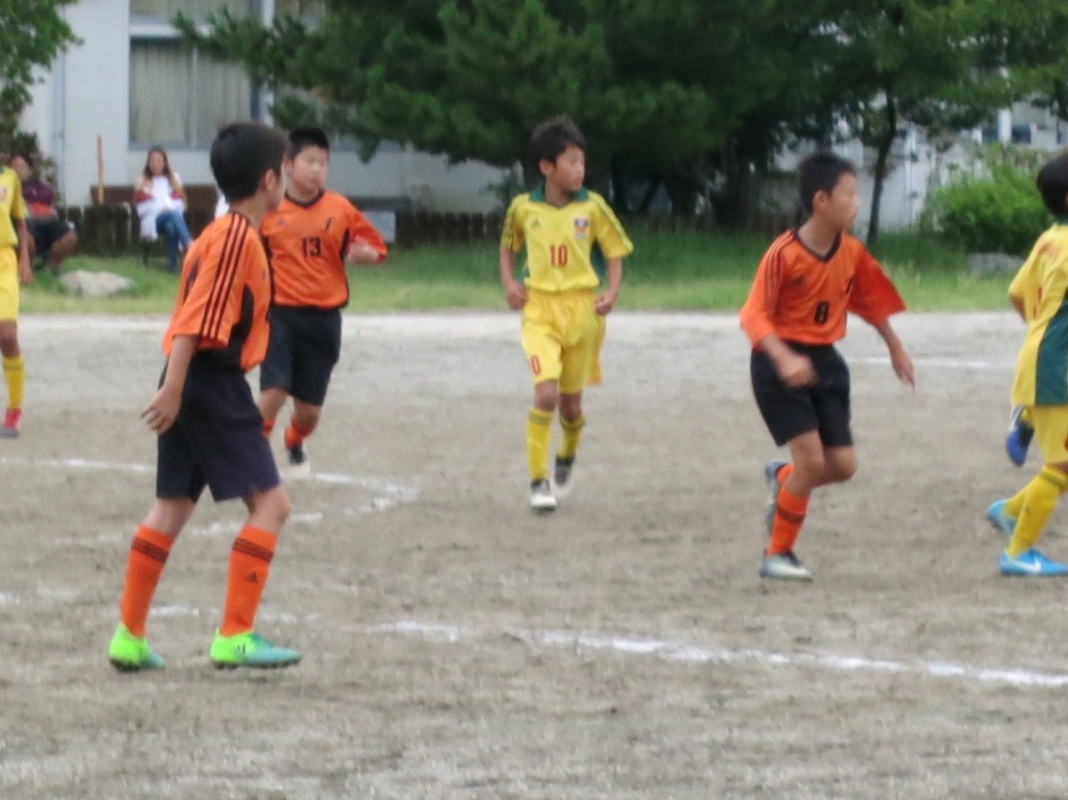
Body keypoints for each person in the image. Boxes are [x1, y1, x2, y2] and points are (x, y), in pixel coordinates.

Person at [107, 121, 302, 672]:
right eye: (284, 171)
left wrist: (175, 385)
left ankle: (129, 636)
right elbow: (194, 320)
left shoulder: (219, 233)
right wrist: (174, 388)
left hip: (191, 380)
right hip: (208, 382)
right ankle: (235, 635)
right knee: (272, 506)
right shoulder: (236, 237)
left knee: (171, 507)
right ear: (268, 180)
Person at [739, 151, 914, 581]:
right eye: (849, 194)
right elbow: (753, 315)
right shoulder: (784, 254)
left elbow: (869, 301)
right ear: (821, 201)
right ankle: (777, 554)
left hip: (825, 363)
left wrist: (895, 346)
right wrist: (784, 357)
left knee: (843, 466)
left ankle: (784, 478)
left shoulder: (851, 252)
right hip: (778, 365)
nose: (857, 203)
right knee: (813, 463)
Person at [500, 115, 633, 512]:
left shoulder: (593, 207)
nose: (579, 169)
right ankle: (538, 481)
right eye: (571, 161)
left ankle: (567, 454)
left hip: (582, 312)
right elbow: (508, 246)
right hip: (540, 309)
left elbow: (614, 251)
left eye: (582, 161)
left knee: (571, 407)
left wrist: (612, 291)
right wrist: (510, 282)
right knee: (546, 395)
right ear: (546, 166)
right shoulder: (523, 208)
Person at [257, 127, 387, 475]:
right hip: (280, 316)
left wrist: (369, 255)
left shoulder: (339, 208)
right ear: (287, 164)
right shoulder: (269, 209)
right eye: (309, 161)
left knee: (309, 413)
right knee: (273, 392)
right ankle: (251, 457)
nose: (316, 169)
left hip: (324, 320)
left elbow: (377, 248)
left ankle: (294, 439)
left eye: (323, 163)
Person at [986, 153, 1068, 576]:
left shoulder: (1050, 238)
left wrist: (1041, 330)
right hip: (1055, 367)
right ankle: (1017, 553)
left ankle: (1011, 510)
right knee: (1063, 467)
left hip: (1044, 357)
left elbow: (1017, 293)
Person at [0, 159, 32, 437]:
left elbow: (20, 222)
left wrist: (24, 259)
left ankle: (14, 409)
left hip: (4, 261)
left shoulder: (9, 178)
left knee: (7, 335)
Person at [8, 153, 77, 274]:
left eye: (21, 166)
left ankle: (51, 268)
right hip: (25, 224)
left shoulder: (39, 187)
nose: (17, 170)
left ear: (29, 170)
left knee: (70, 236)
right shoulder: (6, 186)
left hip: (48, 222)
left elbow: (47, 196)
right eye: (14, 166)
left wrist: (30, 202)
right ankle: (27, 266)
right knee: (24, 237)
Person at [134, 146, 193, 273]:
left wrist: (169, 209)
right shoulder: (143, 180)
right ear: (148, 163)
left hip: (171, 218)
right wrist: (160, 210)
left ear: (165, 162)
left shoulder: (173, 179)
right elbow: (142, 206)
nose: (155, 164)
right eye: (152, 161)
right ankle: (188, 244)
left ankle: (172, 265)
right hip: (153, 220)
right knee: (173, 213)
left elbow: (181, 203)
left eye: (158, 161)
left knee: (171, 225)